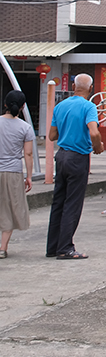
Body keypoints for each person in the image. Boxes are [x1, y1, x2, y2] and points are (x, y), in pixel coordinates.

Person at [46, 73, 104, 260]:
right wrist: (98, 146)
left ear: (73, 85)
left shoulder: (60, 106)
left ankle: (53, 247)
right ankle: (65, 248)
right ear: (91, 88)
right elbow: (94, 132)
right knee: (73, 203)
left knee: (58, 202)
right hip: (78, 157)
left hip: (61, 156)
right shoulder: (89, 106)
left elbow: (52, 136)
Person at [0, 90, 33, 259]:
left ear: (5, 104)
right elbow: (28, 154)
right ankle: (2, 248)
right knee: (9, 209)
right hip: (13, 171)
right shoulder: (25, 127)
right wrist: (29, 176)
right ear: (22, 106)